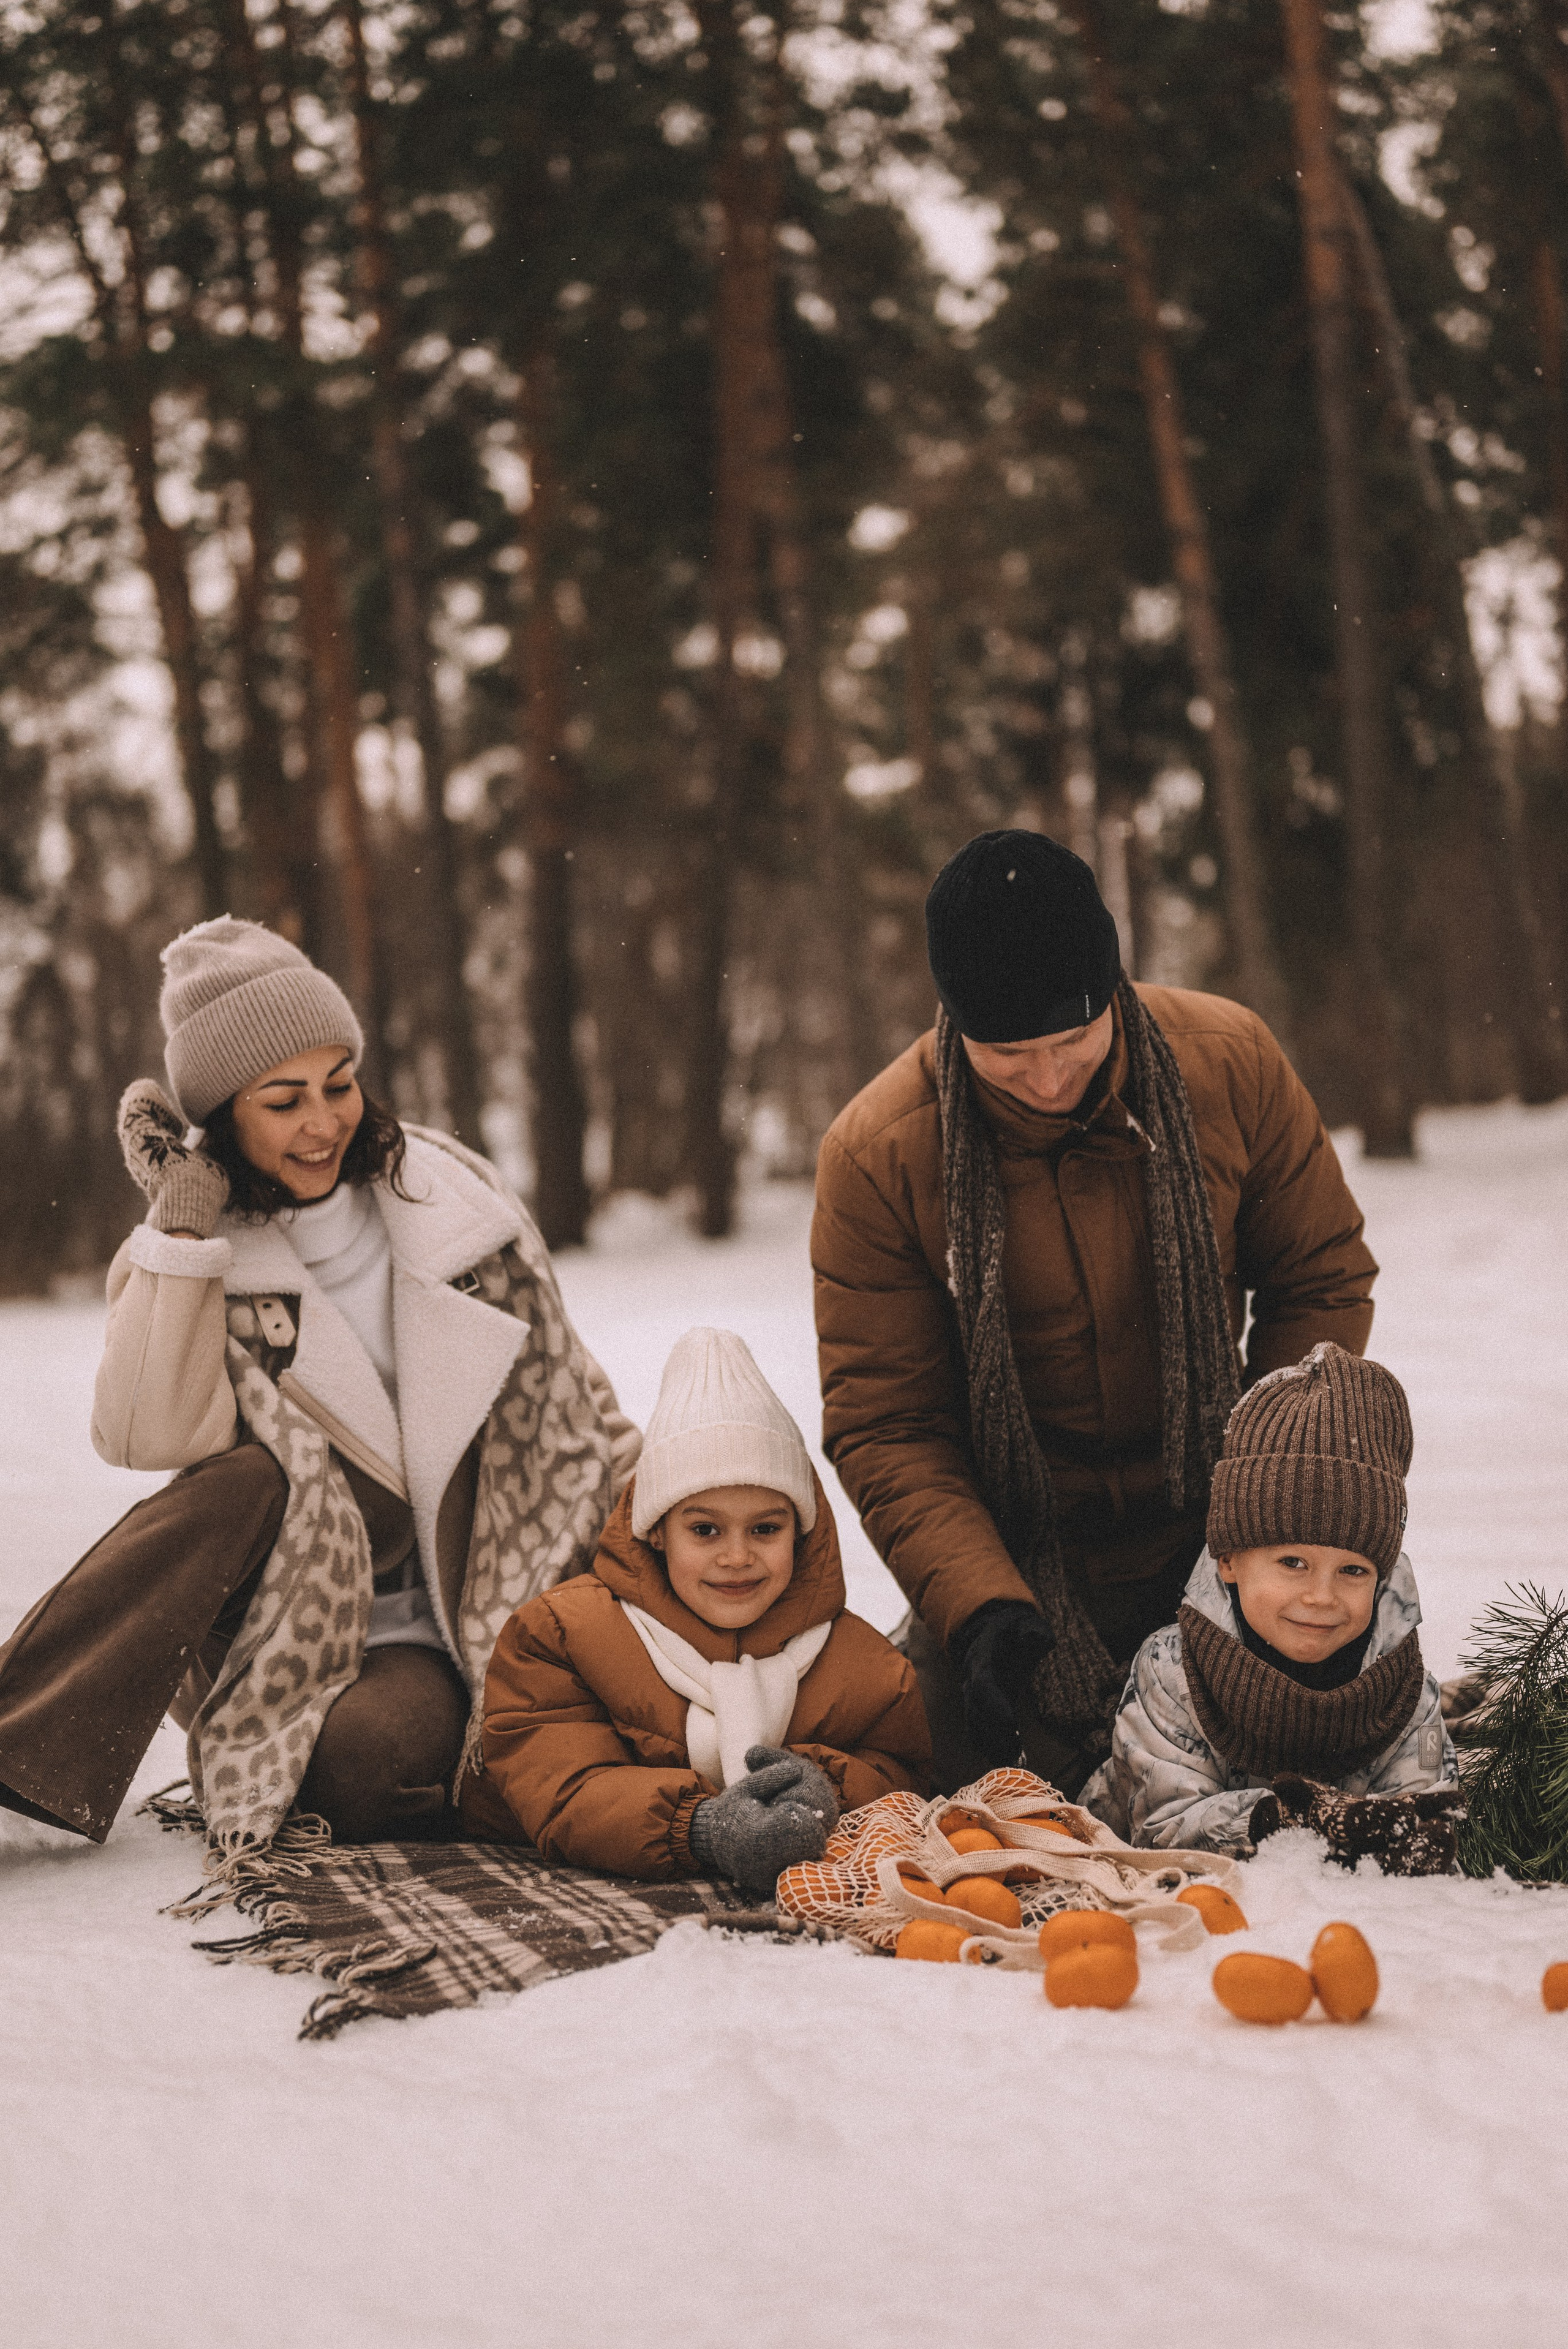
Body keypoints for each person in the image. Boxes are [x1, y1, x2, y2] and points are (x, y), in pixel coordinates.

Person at [0, 916, 638, 1862]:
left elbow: (576, 1404)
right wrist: (181, 1237)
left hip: (433, 1617)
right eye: (284, 1099)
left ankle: (405, 1750)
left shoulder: (454, 1200)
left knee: (360, 1770)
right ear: (224, 1118)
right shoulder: (204, 1241)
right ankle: (17, 1749)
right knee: (244, 1477)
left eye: (339, 1083)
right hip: (267, 1611)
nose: (324, 1120)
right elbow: (142, 1433)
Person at [812, 828, 1379, 1797]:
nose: (1047, 1076)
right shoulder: (876, 1154)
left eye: (1073, 1039)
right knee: (966, 1797)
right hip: (1020, 1563)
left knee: (1326, 1774)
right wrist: (979, 1602)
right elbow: (890, 1421)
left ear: (1115, 989)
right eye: (1008, 1052)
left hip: (1219, 1522)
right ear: (954, 1021)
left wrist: (1263, 1510)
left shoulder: (1230, 1063)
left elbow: (1318, 1279)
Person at [465, 1327, 931, 1888]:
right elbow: (566, 1789)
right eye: (705, 1529)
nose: (737, 1556)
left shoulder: (863, 1664)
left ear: (800, 1532)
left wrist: (827, 1792)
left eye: (765, 1528)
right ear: (658, 1532)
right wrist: (701, 1827)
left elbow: (900, 1776)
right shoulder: (562, 1636)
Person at [1081, 1343, 1461, 1873]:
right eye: (1292, 1562)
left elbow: (1429, 1800)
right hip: (1163, 1894)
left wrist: (1415, 1832)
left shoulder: (1406, 1694)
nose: (1321, 1597)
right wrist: (1280, 1819)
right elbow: (1160, 1824)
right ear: (1230, 1560)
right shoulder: (1174, 1672)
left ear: (1382, 1578)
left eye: (1352, 1570)